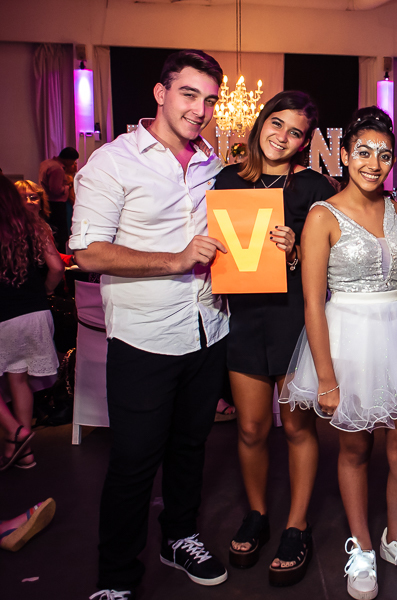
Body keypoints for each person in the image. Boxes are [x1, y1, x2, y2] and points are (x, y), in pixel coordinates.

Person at [280, 106, 397, 600]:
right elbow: (314, 304)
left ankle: (395, 537)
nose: (374, 163)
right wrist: (326, 377)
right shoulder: (323, 215)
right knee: (356, 447)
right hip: (347, 337)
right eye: (363, 151)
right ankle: (360, 546)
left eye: (384, 154)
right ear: (344, 154)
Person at [70, 49, 230, 600]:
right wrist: (174, 259)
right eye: (190, 94)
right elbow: (87, 254)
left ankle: (180, 537)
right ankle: (116, 578)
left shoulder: (213, 162)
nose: (200, 109)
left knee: (191, 447)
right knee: (134, 462)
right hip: (144, 337)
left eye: (209, 99)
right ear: (160, 93)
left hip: (209, 327)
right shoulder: (112, 162)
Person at [215, 90, 336, 587]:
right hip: (243, 318)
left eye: (295, 133)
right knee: (250, 428)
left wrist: (295, 249)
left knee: (299, 429)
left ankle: (297, 524)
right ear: (260, 122)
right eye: (276, 124)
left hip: (292, 318)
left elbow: (330, 264)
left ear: (305, 143)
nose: (282, 137)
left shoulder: (313, 188)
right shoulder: (225, 179)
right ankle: (258, 514)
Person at [0, 175, 64, 471]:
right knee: (19, 379)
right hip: (36, 314)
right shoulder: (34, 225)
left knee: (15, 378)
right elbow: (56, 267)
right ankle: (23, 453)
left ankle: (14, 430)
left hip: (4, 316)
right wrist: (46, 291)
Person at [39, 146, 79, 252]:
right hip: (56, 205)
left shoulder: (46, 163)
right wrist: (68, 185)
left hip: (46, 202)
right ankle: (60, 258)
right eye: (73, 161)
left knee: (52, 233)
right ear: (67, 159)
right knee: (59, 236)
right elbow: (56, 190)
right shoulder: (57, 169)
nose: (73, 164)